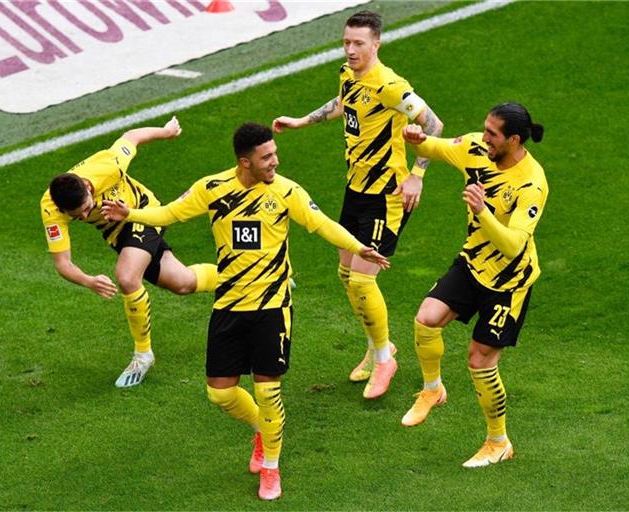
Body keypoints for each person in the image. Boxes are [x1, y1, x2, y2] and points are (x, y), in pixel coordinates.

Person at [100, 122, 389, 500]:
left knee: (268, 391)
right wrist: (130, 215)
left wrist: (359, 246)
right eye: (266, 157)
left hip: (272, 307)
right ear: (244, 161)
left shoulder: (286, 191)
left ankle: (271, 467)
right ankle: (263, 429)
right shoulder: (213, 189)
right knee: (220, 395)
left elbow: (320, 225)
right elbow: (169, 213)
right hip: (229, 305)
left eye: (274, 154)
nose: (275, 161)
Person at [272, 10, 444, 399]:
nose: (350, 50)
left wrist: (418, 174)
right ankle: (377, 344)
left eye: (358, 44)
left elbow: (434, 124)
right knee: (347, 273)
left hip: (386, 197)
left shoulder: (391, 85)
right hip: (356, 189)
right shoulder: (349, 74)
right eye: (346, 42)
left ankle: (386, 360)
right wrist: (303, 121)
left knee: (364, 277)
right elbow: (344, 102)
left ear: (376, 44)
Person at [400, 103, 548, 468]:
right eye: (485, 129)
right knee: (426, 318)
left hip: (508, 281)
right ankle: (433, 391)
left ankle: (498, 441)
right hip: (473, 263)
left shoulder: (532, 183)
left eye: (492, 134)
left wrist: (482, 211)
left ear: (513, 140)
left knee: (479, 359)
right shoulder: (475, 149)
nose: (484, 138)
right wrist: (417, 140)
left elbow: (514, 245)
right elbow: (432, 148)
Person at [40, 116, 217, 388]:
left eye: (88, 207)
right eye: (80, 215)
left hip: (144, 213)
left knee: (126, 277)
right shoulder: (51, 209)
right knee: (183, 283)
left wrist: (167, 132)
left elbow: (131, 136)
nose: (87, 214)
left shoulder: (108, 166)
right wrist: (88, 281)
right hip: (117, 233)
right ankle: (252, 276)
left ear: (88, 187)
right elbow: (63, 263)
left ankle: (143, 354)